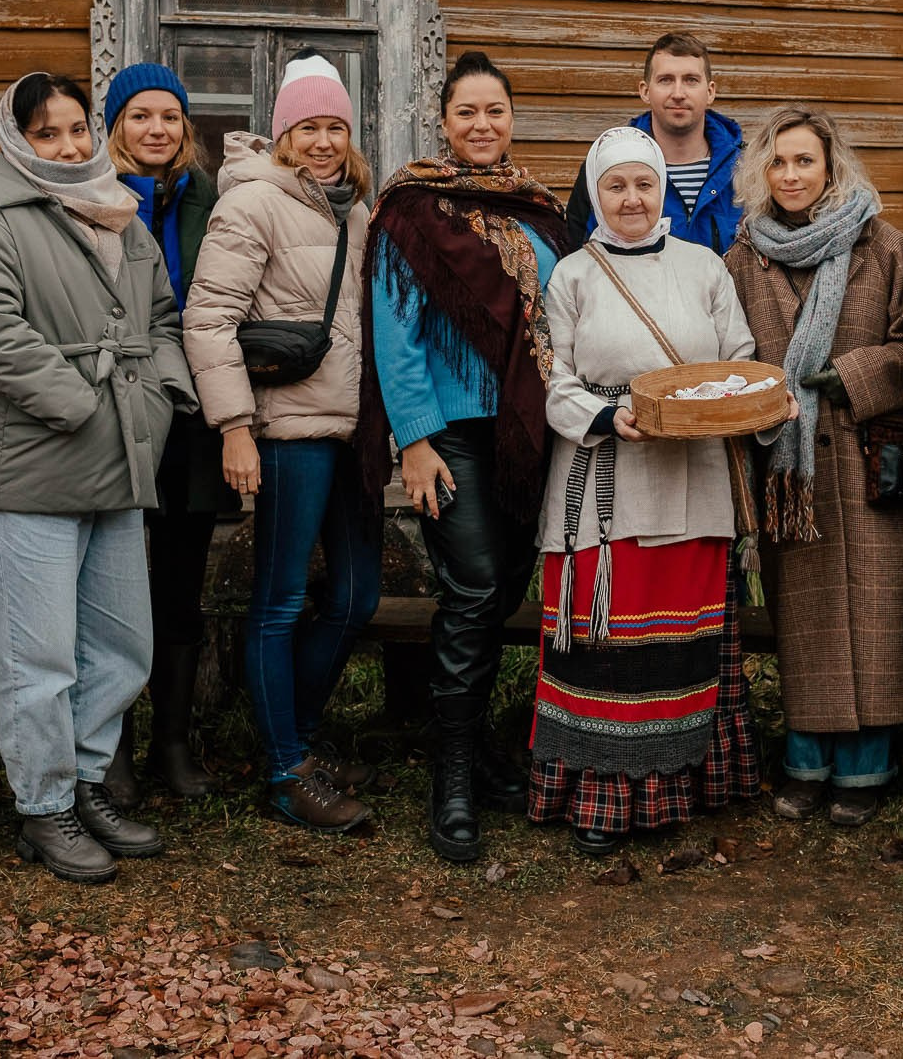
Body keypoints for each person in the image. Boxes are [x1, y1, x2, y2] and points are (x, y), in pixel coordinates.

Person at [0, 72, 196, 885]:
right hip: (35, 466)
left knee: (124, 642)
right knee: (38, 652)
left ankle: (88, 783)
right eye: (47, 133)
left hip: (121, 458)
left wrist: (157, 399)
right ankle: (43, 804)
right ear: (18, 141)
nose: (69, 146)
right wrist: (79, 403)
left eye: (78, 129)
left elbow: (161, 318)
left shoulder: (119, 215)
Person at [530, 126, 775, 855]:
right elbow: (555, 383)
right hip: (602, 484)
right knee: (608, 643)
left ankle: (679, 789)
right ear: (596, 193)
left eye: (644, 183)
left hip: (694, 481)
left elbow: (739, 358)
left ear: (661, 189)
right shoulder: (572, 275)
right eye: (616, 185)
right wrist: (608, 416)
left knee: (678, 638)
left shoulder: (704, 267)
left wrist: (760, 401)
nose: (632, 198)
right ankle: (600, 797)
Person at [357, 50, 575, 862]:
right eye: (466, 114)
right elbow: (395, 333)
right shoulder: (410, 212)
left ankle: (480, 753)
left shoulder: (540, 213)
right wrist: (412, 441)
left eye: (495, 112)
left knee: (504, 588)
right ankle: (450, 776)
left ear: (510, 120)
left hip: (528, 431)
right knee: (474, 589)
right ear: (443, 124)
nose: (482, 126)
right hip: (449, 435)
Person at [185, 53, 381, 833]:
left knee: (356, 594)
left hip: (348, 432)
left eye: (335, 126)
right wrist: (235, 427)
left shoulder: (355, 213)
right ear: (282, 136)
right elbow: (207, 319)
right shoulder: (253, 206)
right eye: (308, 127)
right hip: (288, 432)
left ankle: (288, 739)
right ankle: (284, 768)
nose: (324, 140)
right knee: (281, 600)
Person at [724, 106, 903, 828]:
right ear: (761, 172)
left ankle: (868, 764)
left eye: (804, 160)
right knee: (804, 619)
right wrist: (756, 396)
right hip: (788, 471)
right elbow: (728, 352)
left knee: (876, 616)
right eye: (778, 162)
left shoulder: (886, 246)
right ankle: (806, 761)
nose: (790, 175)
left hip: (868, 462)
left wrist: (855, 373)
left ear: (831, 166)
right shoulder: (744, 255)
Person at [100, 62, 234, 806]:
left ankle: (173, 746)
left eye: (170, 117)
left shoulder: (208, 200)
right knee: (115, 587)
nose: (157, 130)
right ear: (116, 125)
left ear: (186, 128)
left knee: (182, 589)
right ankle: (111, 745)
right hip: (116, 417)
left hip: (188, 417)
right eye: (141, 116)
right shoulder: (92, 200)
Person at [565, 32, 745, 252]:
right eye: (665, 80)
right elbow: (576, 252)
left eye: (691, 80)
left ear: (710, 92)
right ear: (645, 91)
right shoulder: (605, 166)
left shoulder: (746, 168)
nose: (678, 93)